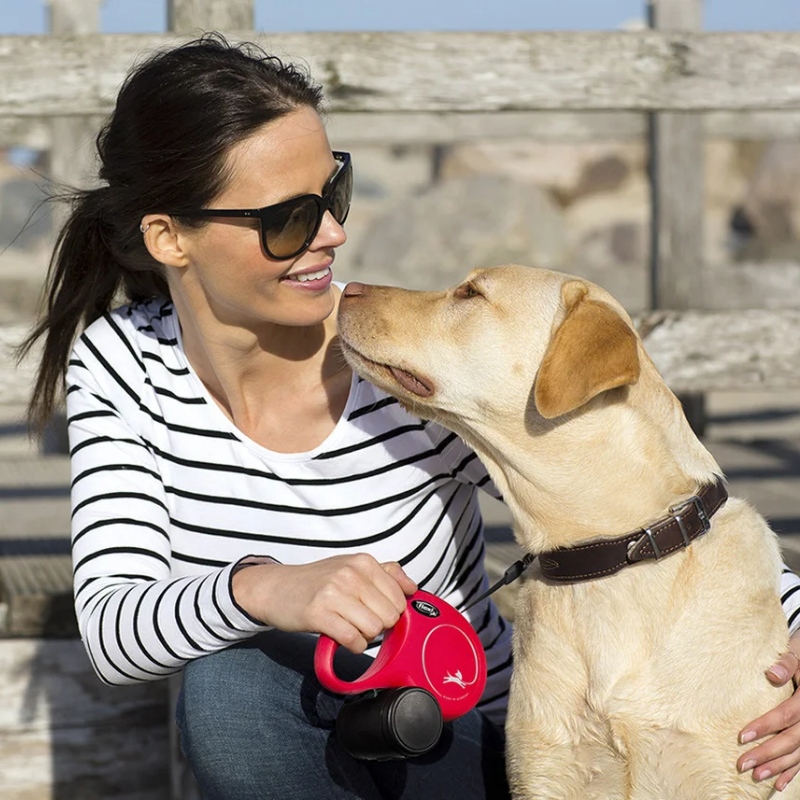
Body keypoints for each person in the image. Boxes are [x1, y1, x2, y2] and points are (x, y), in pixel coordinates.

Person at [16, 32, 800, 798]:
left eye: (335, 192)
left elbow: (634, 497)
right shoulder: (124, 367)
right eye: (287, 218)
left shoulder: (405, 363)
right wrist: (265, 590)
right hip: (310, 745)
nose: (333, 233)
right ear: (169, 238)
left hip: (477, 749)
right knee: (229, 694)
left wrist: (792, 643)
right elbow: (114, 631)